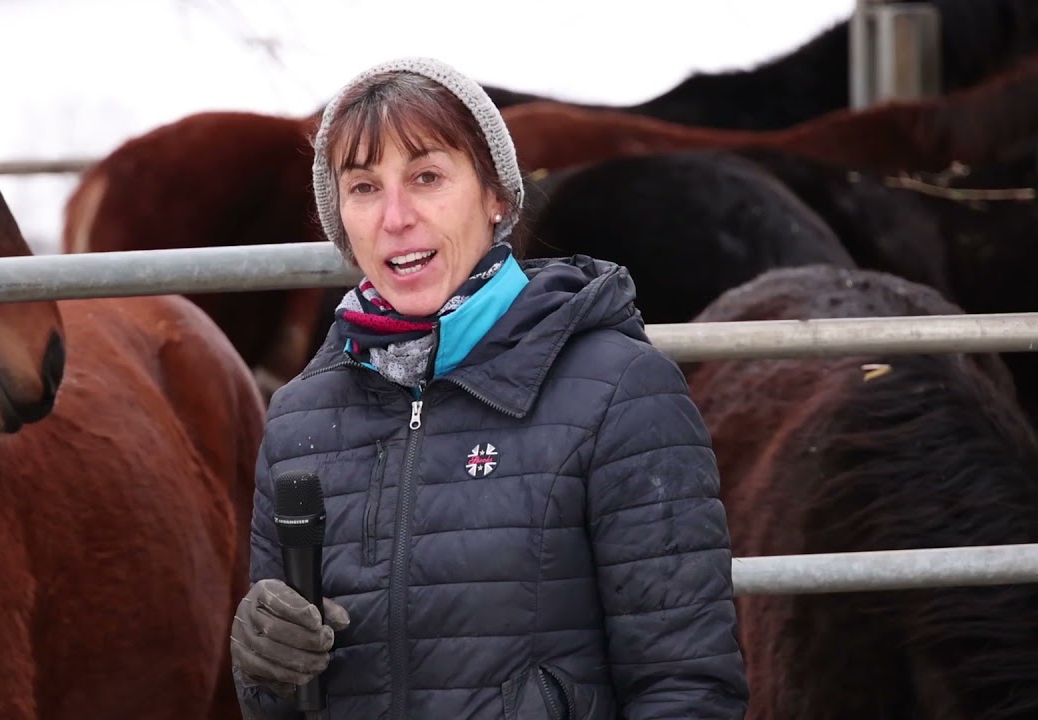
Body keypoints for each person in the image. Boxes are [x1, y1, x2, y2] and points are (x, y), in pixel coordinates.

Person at [228, 56, 750, 719]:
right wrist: (266, 669)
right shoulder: (299, 419)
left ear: (495, 196)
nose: (395, 217)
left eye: (426, 177)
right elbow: (281, 710)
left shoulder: (620, 391)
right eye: (363, 187)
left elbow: (686, 687)